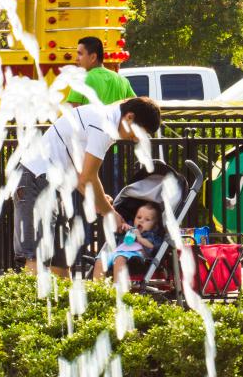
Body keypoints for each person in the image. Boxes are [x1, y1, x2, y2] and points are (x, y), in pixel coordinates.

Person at [14, 97, 161, 276]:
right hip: (35, 178)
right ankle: (32, 303)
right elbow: (87, 178)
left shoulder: (105, 121)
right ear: (129, 117)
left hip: (52, 184)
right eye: (140, 132)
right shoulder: (103, 124)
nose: (137, 139)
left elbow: (80, 173)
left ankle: (62, 303)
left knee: (60, 259)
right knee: (36, 256)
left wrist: (98, 201)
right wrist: (109, 213)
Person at [92, 201, 163, 281]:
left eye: (147, 219)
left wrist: (139, 238)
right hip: (116, 252)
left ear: (155, 225)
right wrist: (122, 228)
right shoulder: (130, 227)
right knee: (100, 260)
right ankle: (96, 288)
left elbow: (152, 246)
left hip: (135, 257)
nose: (141, 221)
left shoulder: (151, 234)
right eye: (139, 217)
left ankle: (118, 291)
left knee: (120, 259)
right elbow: (117, 235)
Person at [65, 37, 135, 106]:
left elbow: (72, 114)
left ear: (93, 57)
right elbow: (135, 108)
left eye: (80, 54)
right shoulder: (123, 80)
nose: (76, 59)